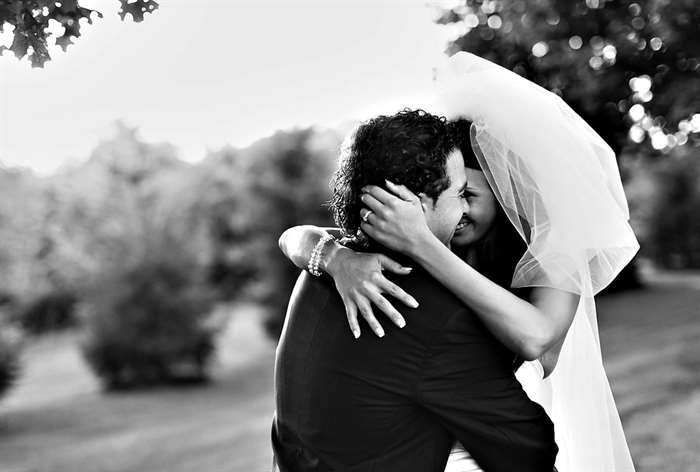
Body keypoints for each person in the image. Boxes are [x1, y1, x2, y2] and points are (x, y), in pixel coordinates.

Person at [278, 53, 639, 471]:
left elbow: (538, 341)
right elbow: (294, 237)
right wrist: (334, 258)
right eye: (457, 194)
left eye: (470, 193)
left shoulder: (548, 244)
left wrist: (421, 244)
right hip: (440, 419)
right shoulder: (400, 254)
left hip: (490, 410)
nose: (462, 209)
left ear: (506, 195)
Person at [272, 109, 558, 472]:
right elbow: (528, 449)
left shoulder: (320, 273)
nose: (463, 208)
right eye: (459, 193)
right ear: (416, 206)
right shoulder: (436, 319)